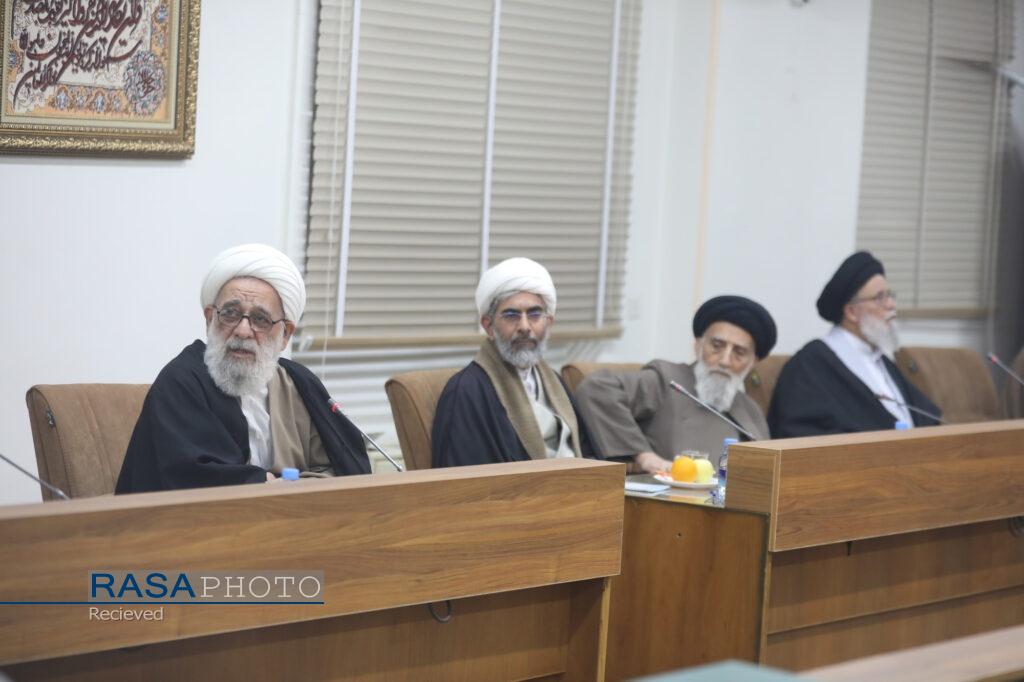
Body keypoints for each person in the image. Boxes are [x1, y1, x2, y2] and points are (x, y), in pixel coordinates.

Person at [116, 244, 370, 493]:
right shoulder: (181, 382)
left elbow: (344, 468)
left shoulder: (298, 384)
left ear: (285, 334)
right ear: (210, 319)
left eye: (260, 319)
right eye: (230, 313)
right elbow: (192, 479)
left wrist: (286, 489)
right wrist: (265, 484)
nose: (243, 330)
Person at [575, 296, 776, 473]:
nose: (724, 360)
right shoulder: (667, 379)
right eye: (716, 346)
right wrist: (644, 456)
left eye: (739, 353)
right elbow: (596, 389)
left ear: (753, 362)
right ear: (698, 345)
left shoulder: (750, 410)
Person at [431, 257, 595, 467]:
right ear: (488, 326)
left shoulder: (553, 381)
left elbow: (586, 451)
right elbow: (464, 478)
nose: (525, 327)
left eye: (534, 314)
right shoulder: (466, 391)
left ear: (549, 322)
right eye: (511, 315)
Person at [768, 250, 941, 437]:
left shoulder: (882, 360)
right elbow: (802, 433)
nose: (891, 305)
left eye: (890, 295)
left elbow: (925, 418)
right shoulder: (810, 365)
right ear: (851, 312)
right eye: (880, 298)